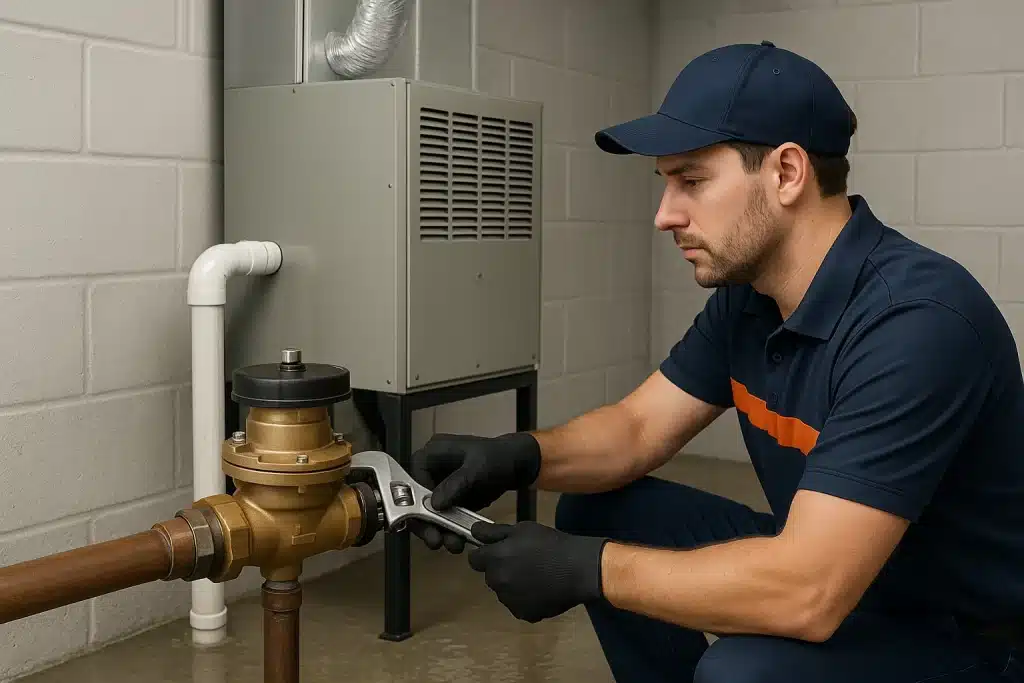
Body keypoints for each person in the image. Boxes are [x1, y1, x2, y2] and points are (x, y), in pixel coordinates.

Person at [408, 41, 1024, 682]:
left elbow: (808, 592)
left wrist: (587, 570)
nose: (664, 215)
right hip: (848, 571)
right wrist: (518, 457)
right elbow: (639, 430)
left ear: (787, 173)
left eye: (692, 181)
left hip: (963, 634)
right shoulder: (751, 301)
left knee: (742, 672)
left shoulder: (916, 322)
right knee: (598, 511)